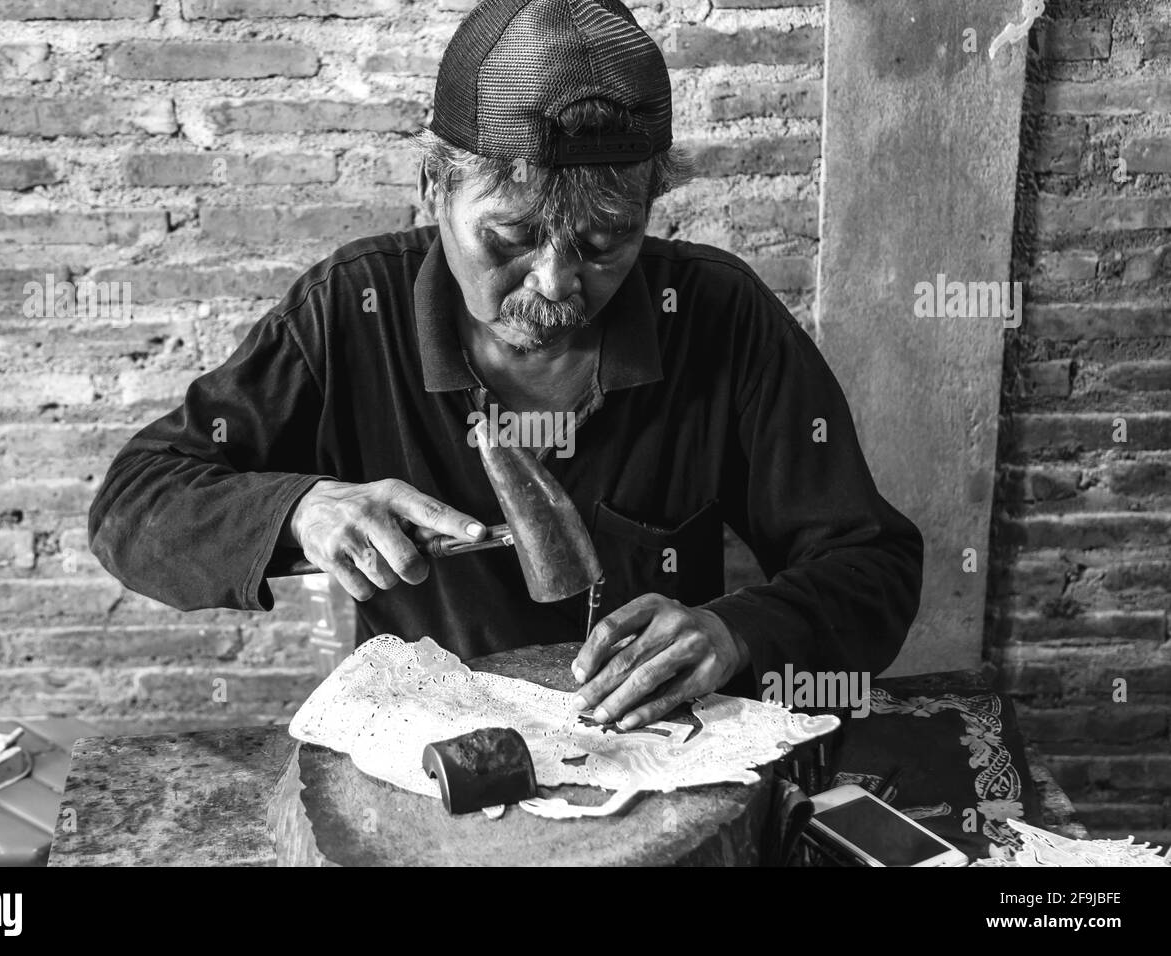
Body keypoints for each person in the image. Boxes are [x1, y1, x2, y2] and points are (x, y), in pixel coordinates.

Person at [89, 0, 923, 732]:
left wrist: (738, 631)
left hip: (661, 753)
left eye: (605, 244)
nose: (558, 284)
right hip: (433, 758)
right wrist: (304, 507)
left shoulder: (718, 318)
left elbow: (873, 567)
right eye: (513, 237)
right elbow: (133, 506)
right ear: (434, 189)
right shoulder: (351, 312)